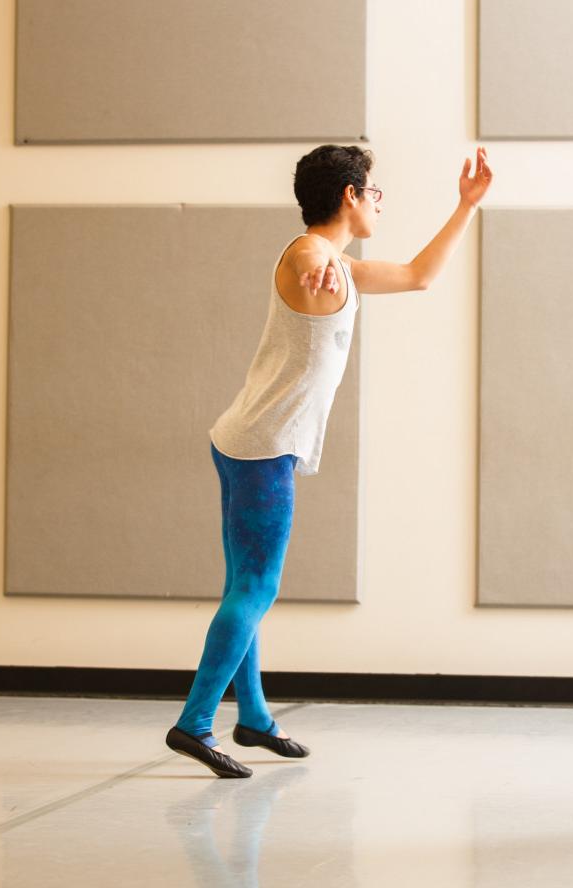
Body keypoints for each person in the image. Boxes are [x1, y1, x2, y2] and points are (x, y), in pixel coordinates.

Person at [166, 144, 492, 777]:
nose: (378, 204)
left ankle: (253, 717)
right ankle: (194, 723)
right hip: (263, 449)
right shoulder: (312, 260)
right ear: (349, 195)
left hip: (245, 440)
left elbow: (420, 275)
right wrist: (317, 274)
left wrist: (466, 206)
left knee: (245, 590)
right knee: (257, 589)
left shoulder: (332, 262)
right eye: (375, 193)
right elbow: (309, 269)